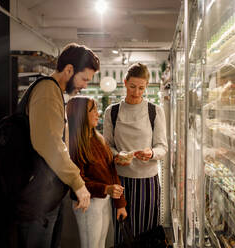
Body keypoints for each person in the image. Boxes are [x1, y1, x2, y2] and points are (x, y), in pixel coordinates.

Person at [18, 43, 100, 248]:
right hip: (38, 198)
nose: (85, 85)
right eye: (84, 79)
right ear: (69, 69)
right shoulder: (47, 91)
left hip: (45, 195)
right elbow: (49, 143)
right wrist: (78, 182)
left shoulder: (53, 91)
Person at [103, 63, 168, 245]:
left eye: (141, 88)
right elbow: (107, 145)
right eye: (132, 87)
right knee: (121, 231)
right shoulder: (112, 111)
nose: (137, 92)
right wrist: (117, 155)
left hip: (148, 181)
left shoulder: (154, 111)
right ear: (125, 83)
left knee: (146, 234)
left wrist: (151, 152)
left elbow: (162, 147)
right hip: (120, 181)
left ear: (146, 86)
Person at [67, 96, 127, 248]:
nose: (97, 113)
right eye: (92, 109)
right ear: (80, 115)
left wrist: (120, 204)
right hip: (88, 204)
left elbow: (111, 171)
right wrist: (106, 189)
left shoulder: (98, 139)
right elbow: (78, 181)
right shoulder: (74, 146)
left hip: (103, 202)